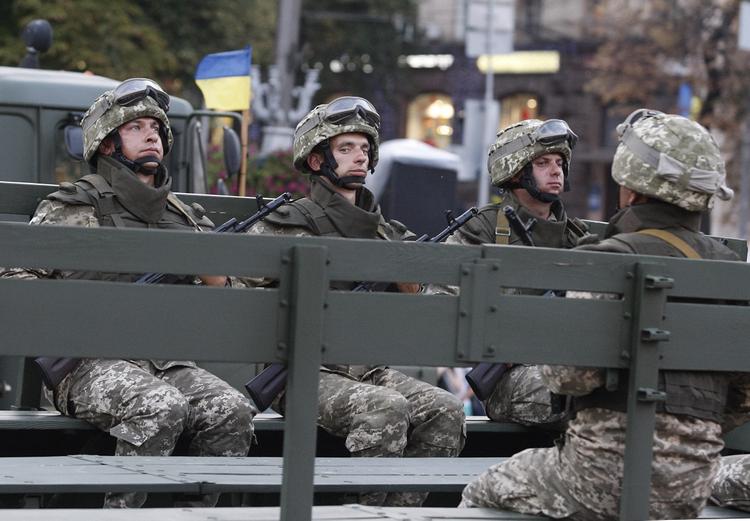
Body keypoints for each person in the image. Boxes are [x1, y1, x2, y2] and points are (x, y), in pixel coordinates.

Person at [460, 109, 750, 519]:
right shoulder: (731, 274)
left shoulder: (606, 262)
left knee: (479, 491)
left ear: (631, 187)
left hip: (598, 478)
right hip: (690, 483)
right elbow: (742, 395)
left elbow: (566, 378)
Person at [0, 78, 255, 508]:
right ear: (107, 142)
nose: (152, 133)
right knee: (160, 406)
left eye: (155, 127)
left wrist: (218, 279)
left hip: (165, 361)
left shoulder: (183, 217)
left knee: (231, 409)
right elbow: (15, 279)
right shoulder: (75, 207)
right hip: (85, 363)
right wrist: (79, 317)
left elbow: (239, 295)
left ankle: (194, 515)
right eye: (136, 127)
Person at [244, 96, 466, 506]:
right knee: (386, 408)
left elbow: (429, 297)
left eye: (364, 149)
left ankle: (398, 513)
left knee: (446, 409)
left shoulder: (387, 233)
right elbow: (240, 293)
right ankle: (360, 513)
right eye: (345, 148)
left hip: (368, 369)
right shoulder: (288, 225)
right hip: (301, 371)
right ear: (316, 161)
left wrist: (406, 281)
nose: (359, 157)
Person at [426, 118, 586, 427]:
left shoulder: (578, 238)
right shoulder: (479, 230)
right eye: (543, 163)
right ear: (515, 170)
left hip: (570, 366)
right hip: (509, 377)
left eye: (559, 162)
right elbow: (439, 305)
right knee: (576, 394)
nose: (556, 171)